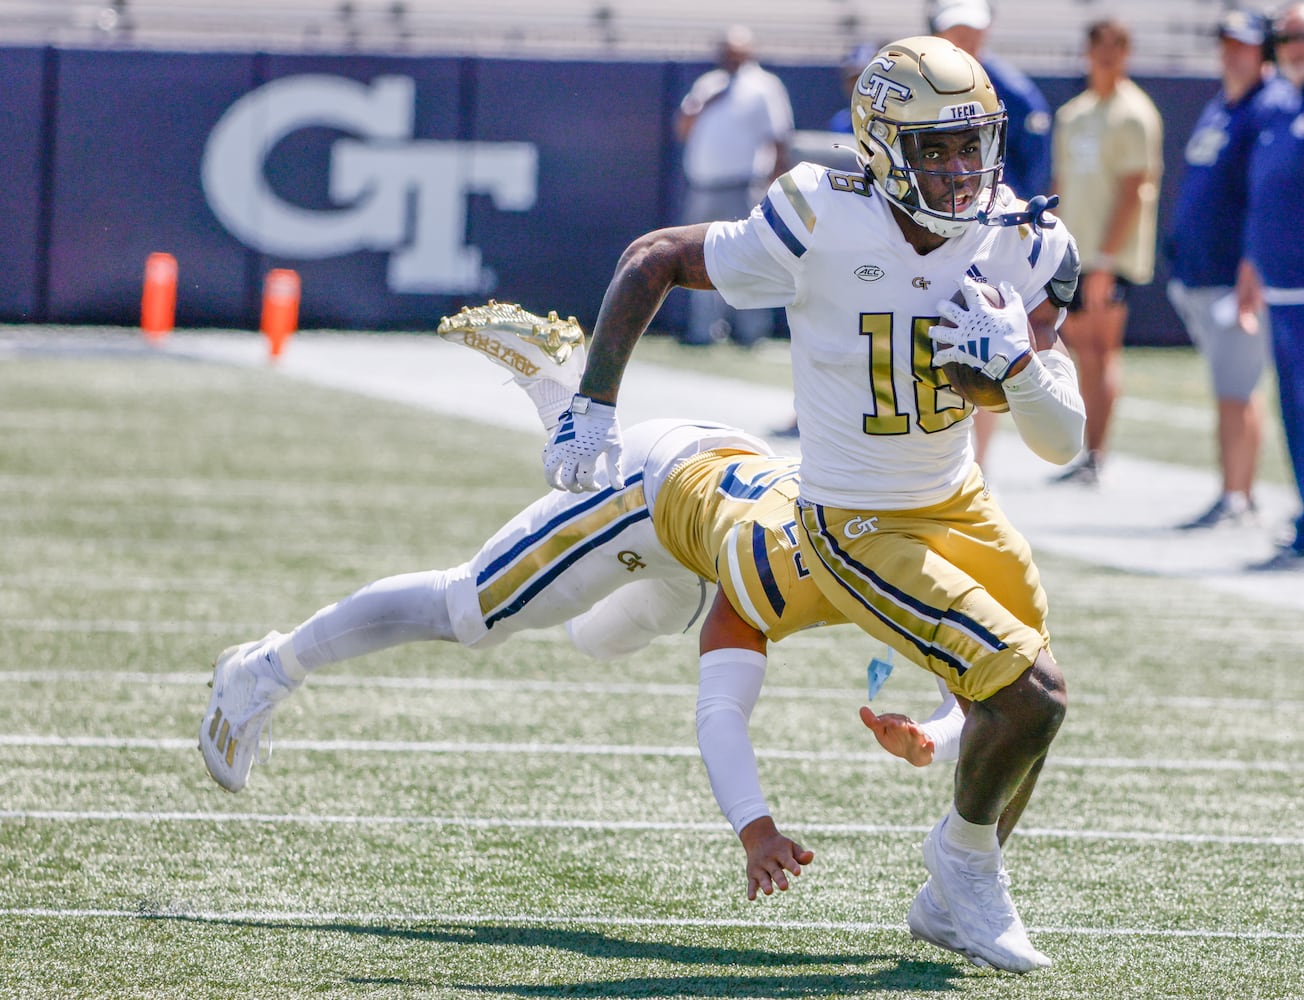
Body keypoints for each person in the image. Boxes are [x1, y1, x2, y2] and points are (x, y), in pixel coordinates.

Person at [541, 36, 1086, 973]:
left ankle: (955, 886)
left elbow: (1063, 441)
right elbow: (655, 256)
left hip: (958, 500)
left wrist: (1022, 367)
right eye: (934, 149)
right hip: (853, 519)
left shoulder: (1022, 239)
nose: (960, 172)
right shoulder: (819, 216)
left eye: (972, 145)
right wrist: (591, 403)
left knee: (1024, 712)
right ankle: (964, 871)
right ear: (879, 148)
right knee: (1031, 696)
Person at [198, 302, 965, 903]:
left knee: (603, 639)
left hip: (718, 489)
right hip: (653, 494)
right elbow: (720, 710)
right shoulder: (773, 573)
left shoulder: (907, 552)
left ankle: (563, 400)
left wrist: (936, 734)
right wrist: (755, 829)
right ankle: (265, 668)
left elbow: (975, 682)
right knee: (469, 610)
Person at [927, 0, 1055, 469]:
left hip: (985, 233)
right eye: (955, 28)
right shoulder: (919, 86)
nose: (965, 39)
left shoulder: (1013, 90)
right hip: (926, 231)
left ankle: (977, 464)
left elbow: (1035, 167)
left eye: (971, 29)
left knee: (983, 347)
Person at [1165, 10, 1272, 529]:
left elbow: (1267, 199)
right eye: (1226, 44)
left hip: (1235, 277)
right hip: (1204, 273)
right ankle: (1234, 492)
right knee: (1229, 390)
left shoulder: (1264, 110)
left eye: (1243, 45)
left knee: (1237, 391)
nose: (1231, 54)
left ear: (1264, 50)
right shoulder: (1219, 107)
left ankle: (1239, 496)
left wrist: (1252, 268)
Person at [1050, 18, 1163, 485]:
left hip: (1106, 258)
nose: (1107, 57)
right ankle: (1083, 453)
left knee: (1102, 350)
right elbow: (1060, 184)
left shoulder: (1134, 113)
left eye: (1117, 48)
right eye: (1100, 48)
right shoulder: (1073, 114)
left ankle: (1096, 455)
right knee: (1080, 353)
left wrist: (1106, 260)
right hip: (1073, 250)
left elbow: (1135, 189)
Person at [675, 25, 793, 347]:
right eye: (724, 51)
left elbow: (779, 138)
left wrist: (774, 182)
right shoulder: (707, 84)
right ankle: (703, 331)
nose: (729, 57)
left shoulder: (765, 86)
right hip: (703, 185)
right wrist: (703, 104)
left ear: (748, 52)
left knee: (748, 257)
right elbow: (682, 128)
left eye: (735, 51)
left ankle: (750, 333)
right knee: (698, 259)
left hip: (743, 186)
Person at [1239, 1, 1304, 570]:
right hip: (1281, 288)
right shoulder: (1276, 105)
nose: (1293, 46)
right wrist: (1252, 266)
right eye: (1284, 37)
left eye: (1301, 35)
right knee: (1295, 410)